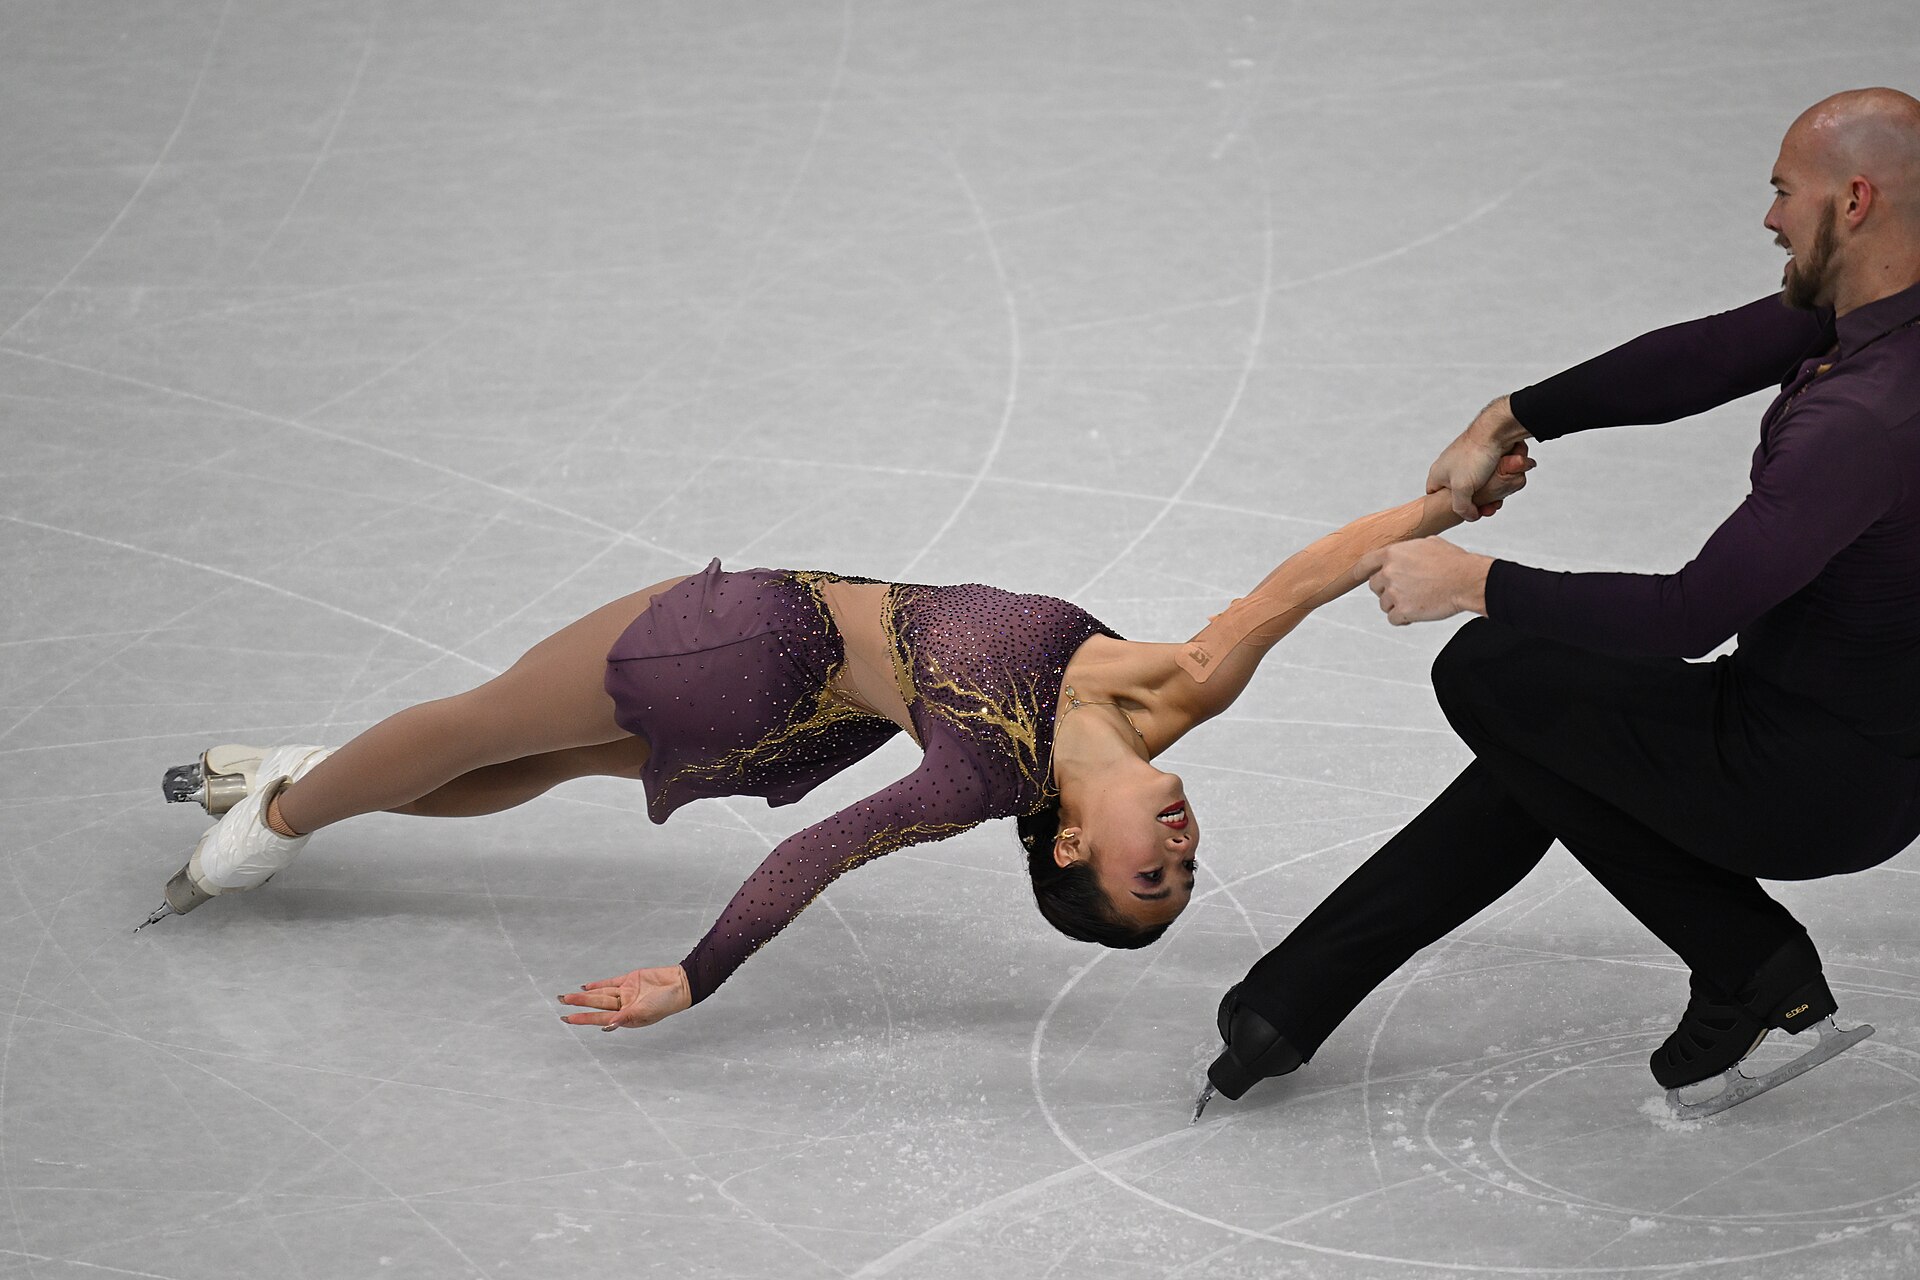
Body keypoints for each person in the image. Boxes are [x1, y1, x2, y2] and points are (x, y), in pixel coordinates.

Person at [143, 465, 1531, 1032]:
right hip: (793, 719)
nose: (1186, 847)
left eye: (1152, 877)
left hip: (751, 653)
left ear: (1063, 844)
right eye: (1185, 862)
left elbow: (819, 854)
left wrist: (696, 975)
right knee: (535, 756)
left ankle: (278, 822)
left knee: (496, 727)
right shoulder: (1179, 691)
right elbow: (1301, 580)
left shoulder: (984, 776)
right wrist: (1439, 499)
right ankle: (319, 778)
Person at [1201, 87, 1920, 1120]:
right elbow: (1709, 355)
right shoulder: (1887, 322)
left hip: (1806, 777)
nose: (1767, 218)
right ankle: (1283, 1003)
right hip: (1863, 746)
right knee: (1547, 746)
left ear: (1853, 202)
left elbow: (1688, 614)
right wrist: (1515, 413)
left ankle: (1749, 952)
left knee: (1493, 670)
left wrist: (1473, 582)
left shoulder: (1865, 421)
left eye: (1782, 192)